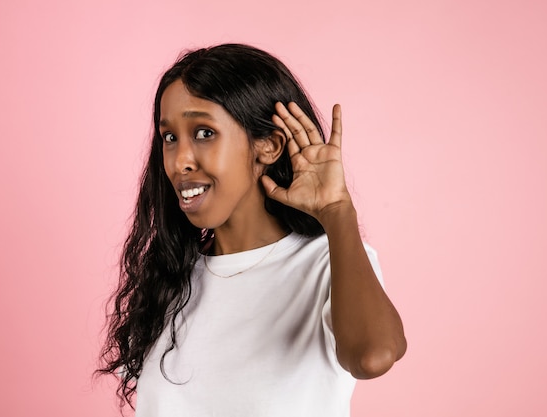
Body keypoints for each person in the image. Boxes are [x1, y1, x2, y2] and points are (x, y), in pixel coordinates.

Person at [99, 43, 406, 416]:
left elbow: (372, 357)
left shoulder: (324, 264)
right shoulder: (171, 279)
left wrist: (338, 212)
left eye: (204, 133)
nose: (180, 161)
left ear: (269, 146)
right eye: (170, 137)